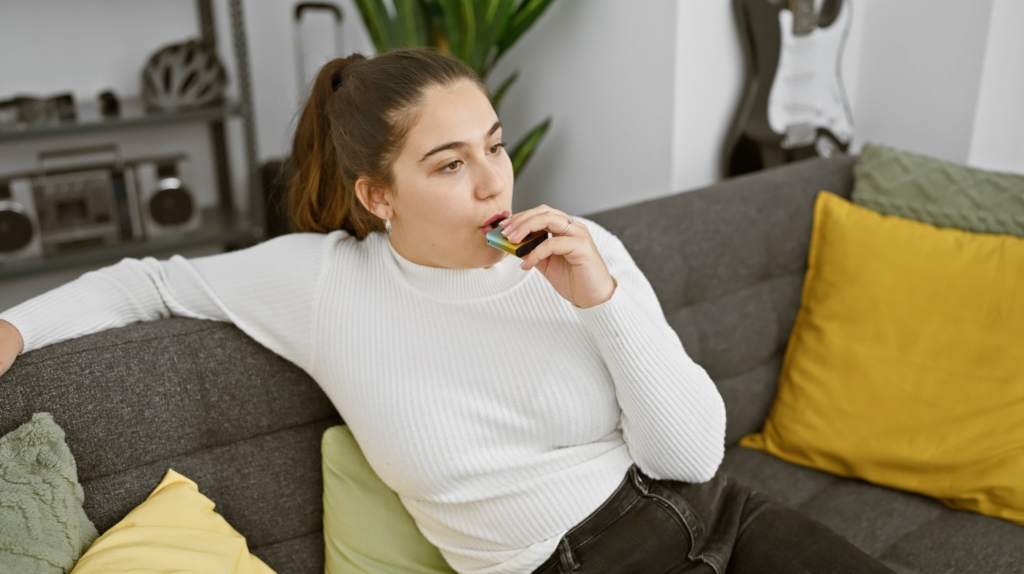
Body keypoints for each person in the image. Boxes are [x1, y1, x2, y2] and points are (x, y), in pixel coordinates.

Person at [0, 48, 895, 574]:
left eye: (495, 147)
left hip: (716, 519)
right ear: (379, 196)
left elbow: (692, 455)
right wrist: (13, 327)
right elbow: (146, 281)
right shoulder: (323, 284)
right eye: (449, 163)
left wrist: (604, 304)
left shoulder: (580, 255)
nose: (494, 179)